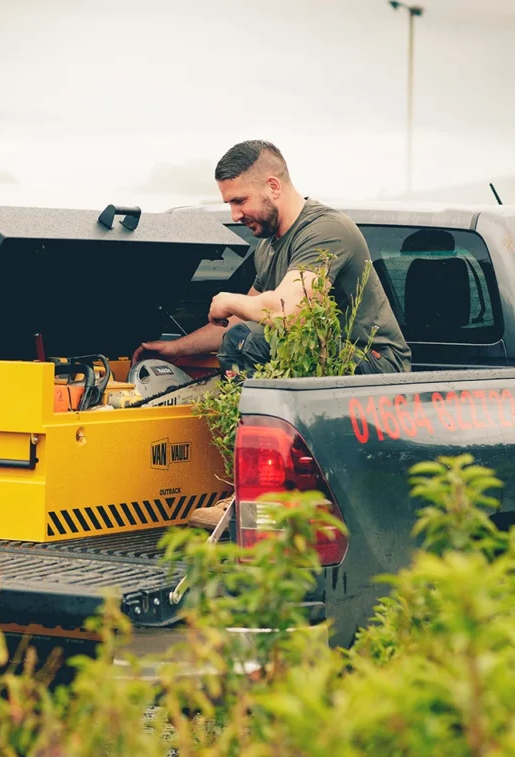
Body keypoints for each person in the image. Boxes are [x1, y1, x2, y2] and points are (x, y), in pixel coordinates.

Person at [133, 139, 411, 529]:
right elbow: (241, 322)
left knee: (245, 343)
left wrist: (229, 299)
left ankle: (251, 497)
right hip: (326, 360)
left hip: (376, 366)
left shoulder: (325, 230)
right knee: (244, 337)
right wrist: (175, 349)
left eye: (239, 200)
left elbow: (290, 312)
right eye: (229, 203)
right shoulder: (269, 245)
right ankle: (258, 494)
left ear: (273, 186)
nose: (234, 213)